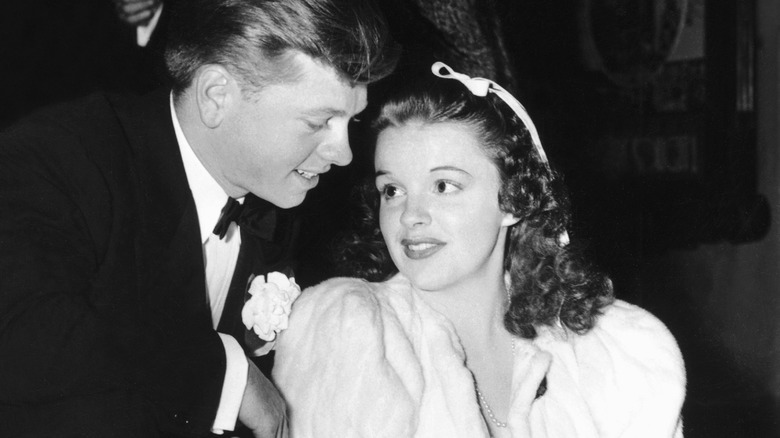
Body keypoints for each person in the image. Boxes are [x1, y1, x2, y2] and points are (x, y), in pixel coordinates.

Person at [0, 0, 396, 437]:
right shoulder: (59, 158)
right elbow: (20, 334)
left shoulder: (279, 204)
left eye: (350, 121)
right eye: (318, 122)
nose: (343, 154)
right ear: (216, 96)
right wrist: (230, 375)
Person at [272, 62, 686, 437]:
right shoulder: (351, 333)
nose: (410, 215)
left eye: (443, 186)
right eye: (392, 190)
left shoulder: (611, 352)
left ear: (512, 199)